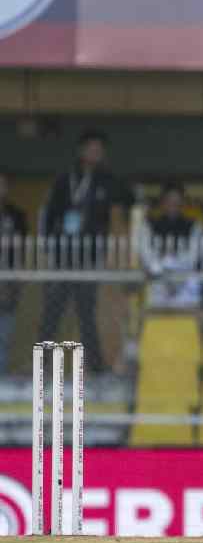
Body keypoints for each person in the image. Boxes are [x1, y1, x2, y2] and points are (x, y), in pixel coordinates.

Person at [39, 130, 134, 372]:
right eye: (91, 148)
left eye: (99, 150)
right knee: (52, 311)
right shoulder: (65, 179)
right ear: (81, 151)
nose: (96, 153)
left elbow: (129, 200)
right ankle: (43, 363)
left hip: (89, 257)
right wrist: (52, 246)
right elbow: (50, 215)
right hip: (63, 256)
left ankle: (96, 365)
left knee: (87, 313)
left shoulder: (108, 181)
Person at [139, 182, 201, 309]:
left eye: (178, 201)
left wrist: (174, 264)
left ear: (183, 203)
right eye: (169, 200)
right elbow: (146, 254)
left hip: (184, 279)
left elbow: (193, 256)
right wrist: (162, 265)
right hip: (156, 280)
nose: (173, 205)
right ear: (162, 202)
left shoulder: (194, 226)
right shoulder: (148, 225)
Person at [0, 172, 27, 374]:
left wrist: (15, 278)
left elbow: (20, 250)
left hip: (7, 277)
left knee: (4, 332)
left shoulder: (15, 215)